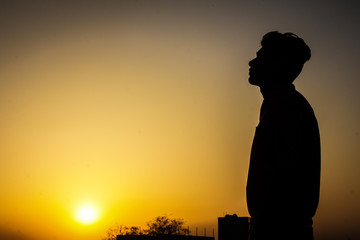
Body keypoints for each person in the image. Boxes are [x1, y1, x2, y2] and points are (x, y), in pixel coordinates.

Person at [246, 31, 321, 240]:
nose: (252, 62)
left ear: (277, 65)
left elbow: (283, 182)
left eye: (261, 57)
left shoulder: (287, 108)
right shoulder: (281, 105)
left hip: (279, 231)